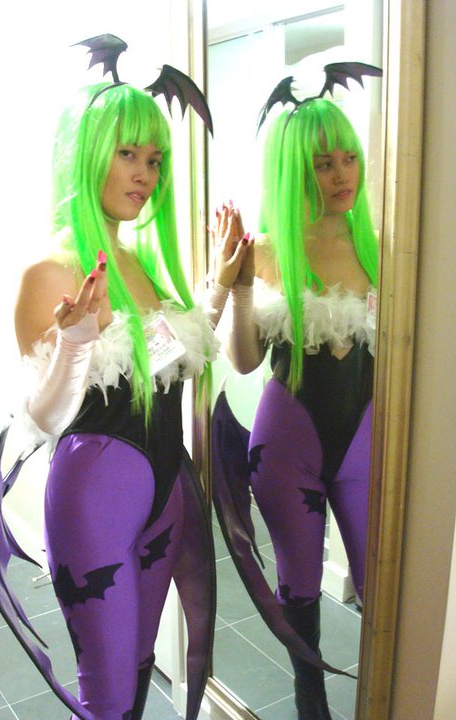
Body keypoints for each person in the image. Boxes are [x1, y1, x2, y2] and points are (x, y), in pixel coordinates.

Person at [11, 80, 222, 720]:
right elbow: (42, 418)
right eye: (128, 154)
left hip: (166, 487)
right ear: (87, 152)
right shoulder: (50, 271)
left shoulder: (140, 263)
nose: (145, 175)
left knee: (137, 667)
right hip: (95, 496)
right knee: (106, 692)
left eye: (154, 160)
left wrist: (220, 287)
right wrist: (76, 342)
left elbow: (160, 364)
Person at [212, 96, 378, 720]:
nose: (341, 175)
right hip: (287, 444)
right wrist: (240, 288)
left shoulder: (381, 247)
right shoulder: (266, 250)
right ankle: (312, 701)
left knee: (380, 579)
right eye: (322, 164)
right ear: (295, 171)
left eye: (348, 159)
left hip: (365, 440)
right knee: (300, 586)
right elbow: (244, 361)